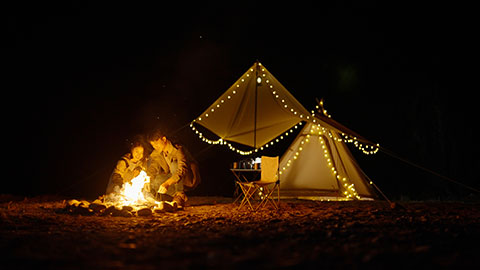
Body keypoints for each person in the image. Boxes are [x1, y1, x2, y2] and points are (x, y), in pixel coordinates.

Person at [147, 129, 201, 208]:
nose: (155, 147)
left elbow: (182, 169)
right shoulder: (157, 153)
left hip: (187, 177)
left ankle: (180, 194)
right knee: (155, 181)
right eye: (153, 145)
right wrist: (148, 179)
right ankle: (170, 198)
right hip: (173, 177)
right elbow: (153, 168)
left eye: (156, 144)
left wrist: (167, 183)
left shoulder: (178, 148)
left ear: (164, 139)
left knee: (174, 164)